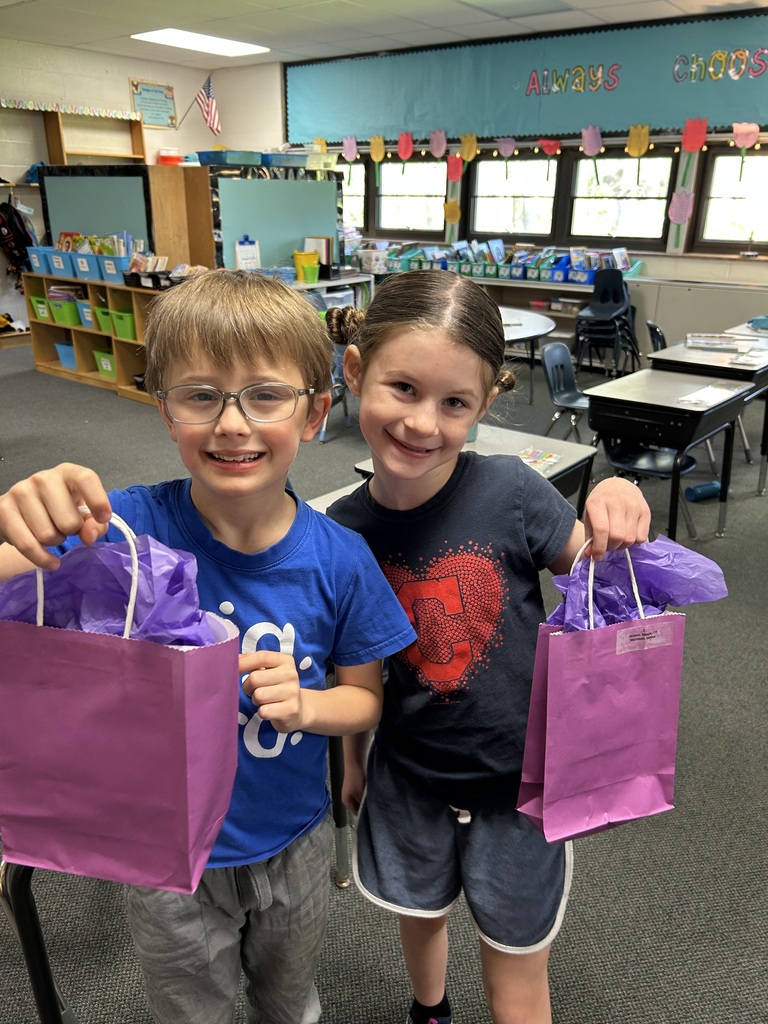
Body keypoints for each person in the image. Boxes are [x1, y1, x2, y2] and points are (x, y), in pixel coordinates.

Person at [0, 269, 416, 1024]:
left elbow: (365, 700)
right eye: (200, 395)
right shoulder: (121, 529)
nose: (231, 423)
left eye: (265, 395)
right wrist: (21, 519)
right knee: (193, 1009)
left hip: (293, 840)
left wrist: (309, 704)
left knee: (288, 1001)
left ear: (316, 412)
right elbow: (17, 575)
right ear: (164, 410)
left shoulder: (341, 559)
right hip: (162, 854)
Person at [324, 270, 652, 1024]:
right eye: (402, 388)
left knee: (516, 964)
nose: (422, 423)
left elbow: (609, 590)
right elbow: (358, 660)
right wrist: (351, 762)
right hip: (409, 779)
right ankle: (429, 1010)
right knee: (420, 912)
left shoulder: (511, 490)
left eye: (454, 403)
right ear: (354, 372)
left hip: (523, 785)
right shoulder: (344, 532)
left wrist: (616, 506)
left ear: (485, 405)